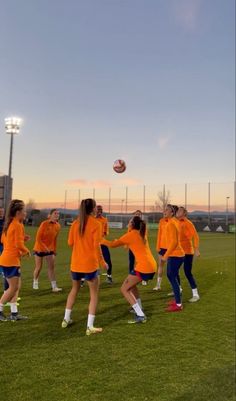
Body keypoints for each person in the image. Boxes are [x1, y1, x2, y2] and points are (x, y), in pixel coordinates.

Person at [62, 198, 108, 335]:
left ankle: (66, 319)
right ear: (92, 209)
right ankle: (90, 327)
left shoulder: (75, 223)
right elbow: (96, 246)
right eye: (95, 207)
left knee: (74, 290)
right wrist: (103, 262)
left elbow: (70, 243)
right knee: (94, 295)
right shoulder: (96, 224)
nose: (96, 209)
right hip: (90, 265)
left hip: (75, 264)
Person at [102, 215, 157, 324]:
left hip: (144, 267)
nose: (128, 222)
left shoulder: (131, 235)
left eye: (130, 221)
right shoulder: (141, 233)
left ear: (132, 225)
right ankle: (139, 308)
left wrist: (101, 241)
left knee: (124, 289)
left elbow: (113, 245)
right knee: (132, 286)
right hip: (150, 265)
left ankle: (140, 315)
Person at [0, 200, 30, 321]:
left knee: (16, 286)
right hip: (10, 260)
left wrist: (22, 238)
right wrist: (26, 250)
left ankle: (14, 314)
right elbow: (18, 244)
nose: (25, 213)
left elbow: (4, 240)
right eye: (24, 211)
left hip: (8, 259)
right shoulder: (17, 224)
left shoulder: (10, 223)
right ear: (18, 212)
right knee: (13, 287)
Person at [160, 204, 185, 312]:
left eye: (167, 210)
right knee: (172, 276)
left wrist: (165, 256)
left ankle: (178, 304)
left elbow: (174, 242)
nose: (164, 211)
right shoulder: (173, 222)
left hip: (176, 255)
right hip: (175, 254)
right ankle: (177, 300)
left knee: (172, 277)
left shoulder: (171, 223)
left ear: (172, 213)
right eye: (164, 210)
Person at [33, 209, 61, 292]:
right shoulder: (44, 224)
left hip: (50, 250)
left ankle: (54, 287)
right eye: (55, 213)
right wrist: (45, 248)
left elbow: (55, 239)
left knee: (51, 268)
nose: (57, 215)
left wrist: (54, 249)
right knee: (38, 267)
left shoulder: (58, 226)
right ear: (50, 215)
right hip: (39, 248)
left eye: (58, 214)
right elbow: (38, 238)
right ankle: (35, 281)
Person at [176, 206, 200, 302]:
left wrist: (196, 249)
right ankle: (178, 289)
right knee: (174, 271)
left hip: (188, 252)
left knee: (187, 272)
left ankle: (195, 294)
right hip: (178, 251)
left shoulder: (188, 223)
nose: (178, 211)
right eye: (177, 210)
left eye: (180, 210)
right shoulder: (175, 222)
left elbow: (196, 236)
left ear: (184, 213)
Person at [127, 210, 147, 286]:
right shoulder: (131, 223)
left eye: (139, 214)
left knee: (141, 262)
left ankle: (144, 278)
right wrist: (127, 244)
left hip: (140, 247)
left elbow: (144, 235)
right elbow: (128, 233)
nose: (138, 215)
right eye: (136, 214)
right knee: (131, 261)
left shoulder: (142, 224)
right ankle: (130, 277)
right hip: (132, 246)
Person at [96, 205, 113, 284]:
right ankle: (82, 280)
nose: (100, 211)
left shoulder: (105, 220)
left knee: (108, 260)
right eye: (98, 209)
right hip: (93, 244)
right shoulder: (91, 219)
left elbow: (107, 231)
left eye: (101, 209)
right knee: (92, 261)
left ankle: (109, 277)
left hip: (102, 242)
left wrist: (104, 233)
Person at [153, 210, 169, 291]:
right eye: (164, 211)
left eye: (166, 211)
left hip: (171, 248)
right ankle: (158, 285)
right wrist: (158, 246)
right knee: (160, 265)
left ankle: (177, 287)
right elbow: (159, 234)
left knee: (171, 268)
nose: (164, 213)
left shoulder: (174, 221)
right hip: (162, 247)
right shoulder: (161, 221)